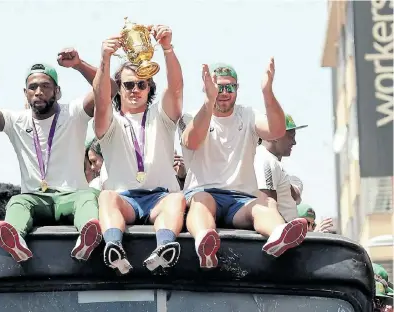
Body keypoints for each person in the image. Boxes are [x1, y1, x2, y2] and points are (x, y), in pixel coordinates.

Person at [0, 48, 116, 263]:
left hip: (72, 196)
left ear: (57, 91)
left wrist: (79, 64)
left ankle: (88, 237)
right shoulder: (15, 120)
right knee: (17, 201)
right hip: (35, 198)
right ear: (25, 92)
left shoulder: (74, 112)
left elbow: (110, 89)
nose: (39, 91)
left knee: (88, 197)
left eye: (46, 86)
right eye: (33, 87)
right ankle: (16, 242)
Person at [179, 61, 308, 269]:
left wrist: (267, 92)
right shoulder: (190, 116)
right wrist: (209, 102)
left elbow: (276, 131)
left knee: (264, 205)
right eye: (218, 87)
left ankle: (278, 236)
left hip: (240, 200)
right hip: (202, 191)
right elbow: (192, 140)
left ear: (237, 89)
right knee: (201, 202)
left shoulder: (248, 114)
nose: (224, 92)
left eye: (229, 87)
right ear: (206, 87)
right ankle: (205, 243)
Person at [93, 24, 186, 275]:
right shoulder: (110, 120)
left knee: (177, 199)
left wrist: (167, 48)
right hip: (124, 198)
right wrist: (105, 58)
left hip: (160, 197)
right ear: (119, 88)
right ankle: (113, 246)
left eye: (142, 84)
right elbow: (100, 99)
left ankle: (165, 248)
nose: (135, 90)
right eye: (128, 85)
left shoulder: (161, 116)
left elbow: (176, 88)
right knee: (106, 197)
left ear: (149, 88)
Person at [254, 114, 307, 222]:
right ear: (275, 135)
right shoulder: (266, 160)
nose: (294, 142)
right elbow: (268, 207)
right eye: (291, 136)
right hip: (279, 235)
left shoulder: (269, 160)